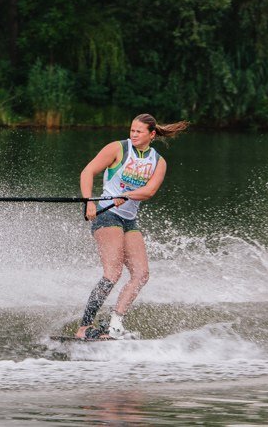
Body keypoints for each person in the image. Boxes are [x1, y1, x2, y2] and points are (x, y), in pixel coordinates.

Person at [76, 113, 189, 339]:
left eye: (139, 131)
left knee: (141, 274)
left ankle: (114, 326)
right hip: (107, 215)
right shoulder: (118, 148)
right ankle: (84, 328)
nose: (134, 134)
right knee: (113, 273)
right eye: (132, 130)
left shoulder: (158, 161)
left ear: (152, 134)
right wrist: (88, 201)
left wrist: (126, 195)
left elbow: (149, 192)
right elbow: (87, 172)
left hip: (129, 220)